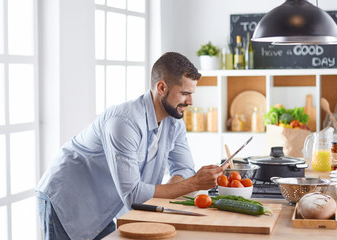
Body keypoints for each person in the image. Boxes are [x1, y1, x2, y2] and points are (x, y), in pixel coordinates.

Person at [36, 52, 228, 240]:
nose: (191, 102)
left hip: (103, 206)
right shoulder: (124, 123)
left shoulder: (174, 122)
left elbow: (184, 168)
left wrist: (170, 189)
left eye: (192, 93)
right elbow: (134, 195)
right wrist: (193, 183)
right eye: (185, 93)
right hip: (67, 198)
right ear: (161, 87)